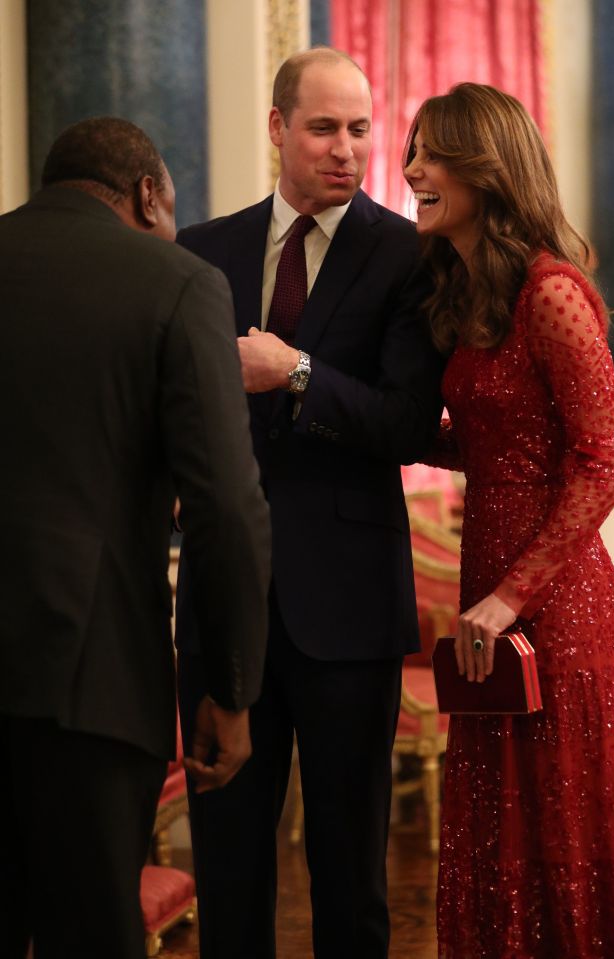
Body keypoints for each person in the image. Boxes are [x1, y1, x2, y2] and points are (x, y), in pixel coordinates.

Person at [175, 47, 444, 959]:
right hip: (225, 609)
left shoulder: (406, 254)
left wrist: (294, 371)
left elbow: (408, 425)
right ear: (278, 127)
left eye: (360, 129)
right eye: (324, 127)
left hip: (349, 605)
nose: (345, 148)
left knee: (350, 877)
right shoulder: (202, 253)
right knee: (232, 874)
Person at [403, 82, 614, 959]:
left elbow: (605, 458)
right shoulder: (468, 294)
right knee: (498, 833)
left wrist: (510, 596)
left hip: (554, 606)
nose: (412, 171)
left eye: (432, 154)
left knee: (560, 832)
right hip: (495, 598)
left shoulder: (552, 292)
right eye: (412, 152)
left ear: (489, 167)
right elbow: (494, 447)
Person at [0, 117, 271, 959]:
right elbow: (225, 503)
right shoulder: (176, 282)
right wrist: (227, 685)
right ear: (147, 193)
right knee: (91, 929)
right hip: (90, 672)